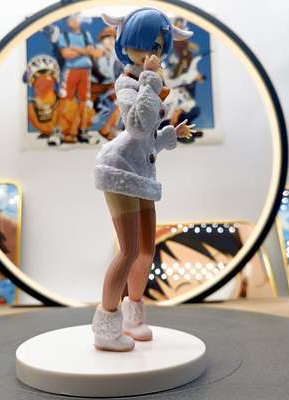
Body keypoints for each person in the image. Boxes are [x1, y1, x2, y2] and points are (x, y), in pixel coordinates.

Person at [91, 8, 195, 352]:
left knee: (147, 250)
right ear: (127, 43)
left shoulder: (148, 82)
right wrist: (150, 80)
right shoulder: (127, 83)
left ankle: (133, 318)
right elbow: (136, 126)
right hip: (119, 169)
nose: (153, 52)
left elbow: (147, 139)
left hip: (141, 172)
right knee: (129, 251)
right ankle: (106, 327)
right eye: (147, 43)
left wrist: (171, 134)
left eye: (159, 46)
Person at [57, 14, 102, 143]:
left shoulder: (85, 35)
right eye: (72, 19)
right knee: (66, 100)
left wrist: (75, 49)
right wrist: (84, 51)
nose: (76, 21)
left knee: (84, 101)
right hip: (71, 71)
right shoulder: (64, 36)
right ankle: (59, 131)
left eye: (77, 18)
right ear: (68, 22)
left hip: (85, 72)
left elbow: (93, 52)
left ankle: (82, 131)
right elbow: (66, 54)